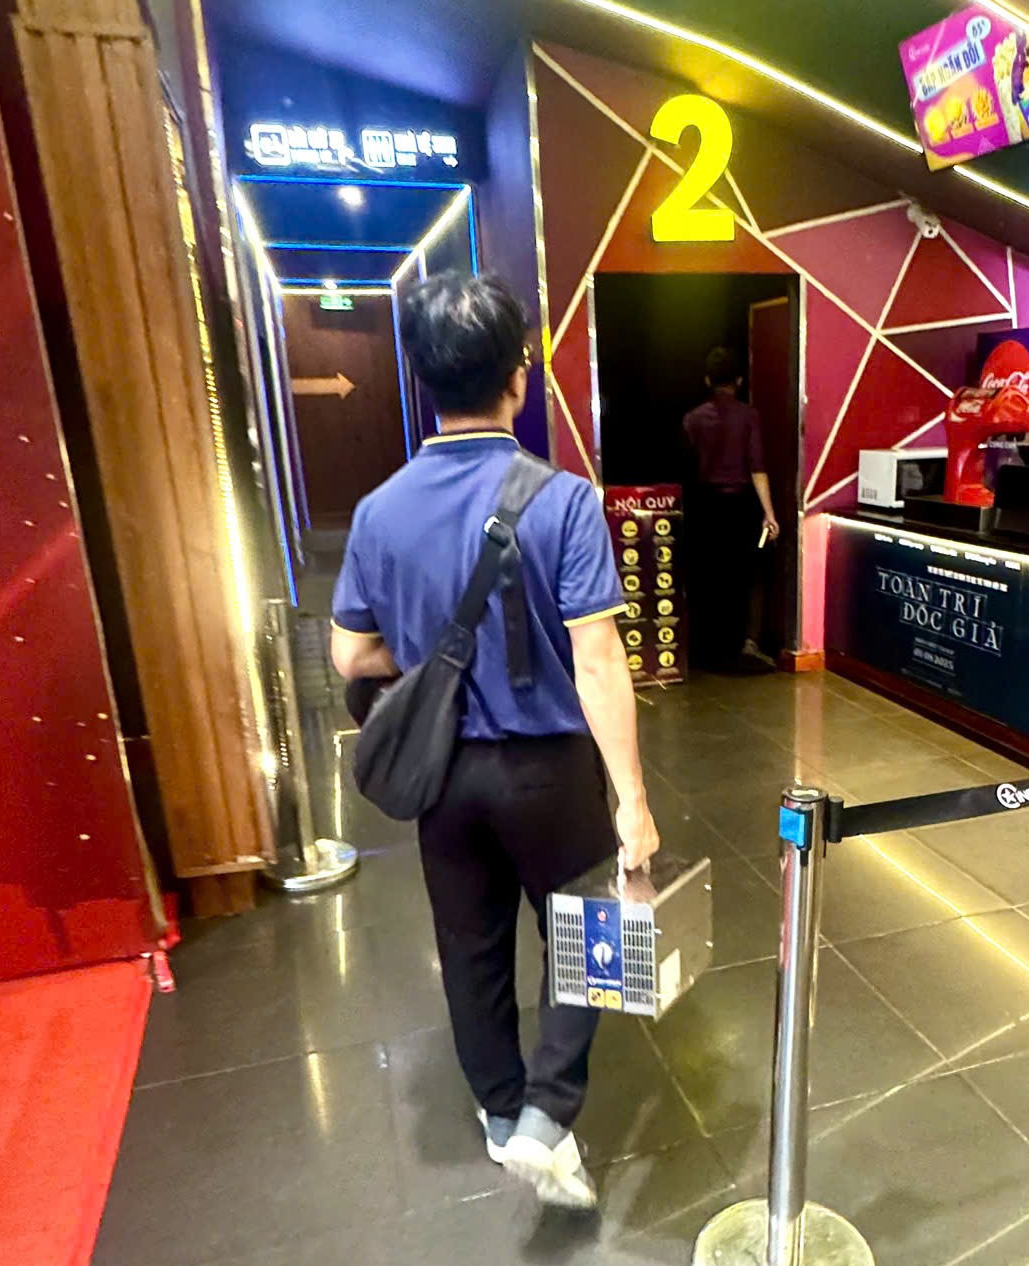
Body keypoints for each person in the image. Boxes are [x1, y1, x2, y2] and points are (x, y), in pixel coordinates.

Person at [330, 272, 660, 1210]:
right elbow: (597, 659)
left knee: (470, 946)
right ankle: (550, 1114)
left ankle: (499, 1110)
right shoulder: (564, 501)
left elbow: (351, 654)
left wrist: (430, 654)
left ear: (423, 377)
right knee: (594, 927)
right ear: (520, 376)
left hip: (442, 775)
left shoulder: (380, 510)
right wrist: (633, 802)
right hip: (549, 771)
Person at [682, 347, 781, 672]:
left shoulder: (692, 419)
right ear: (739, 380)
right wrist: (769, 513)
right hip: (741, 507)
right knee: (749, 575)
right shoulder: (749, 416)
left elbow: (688, 467)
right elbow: (757, 467)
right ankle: (747, 644)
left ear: (707, 380)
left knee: (710, 575)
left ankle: (708, 648)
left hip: (705, 506)